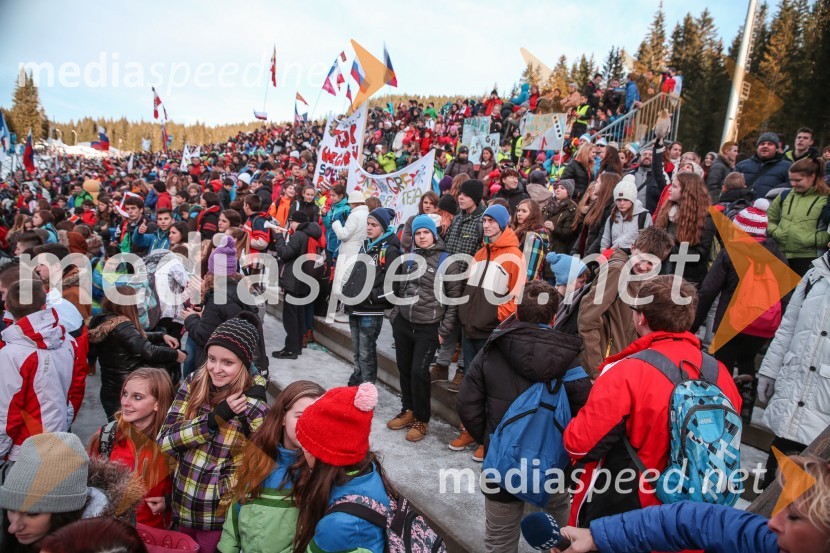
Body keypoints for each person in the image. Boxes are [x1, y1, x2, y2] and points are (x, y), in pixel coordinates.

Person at [564, 276, 742, 526]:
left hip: (631, 512)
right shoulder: (720, 372)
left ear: (641, 317)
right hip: (698, 514)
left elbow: (579, 444)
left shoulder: (626, 370)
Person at [457, 281, 591, 552]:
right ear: (554, 317)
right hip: (551, 465)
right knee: (558, 539)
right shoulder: (570, 359)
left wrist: (492, 437)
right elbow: (586, 412)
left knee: (500, 542)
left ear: (517, 313)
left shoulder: (491, 351)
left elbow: (467, 403)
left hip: (500, 464)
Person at [158, 314, 270, 553]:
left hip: (217, 517)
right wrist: (213, 419)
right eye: (211, 359)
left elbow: (259, 465)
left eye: (227, 362)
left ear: (244, 363)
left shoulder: (254, 406)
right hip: (181, 504)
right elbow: (165, 441)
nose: (216, 369)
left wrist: (223, 492)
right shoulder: (193, 384)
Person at [557, 455, 830, 553]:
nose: (773, 522)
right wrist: (597, 536)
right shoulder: (767, 539)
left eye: (794, 517)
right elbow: (692, 520)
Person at [694, 199, 785, 424]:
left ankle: (717, 413)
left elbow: (707, 291)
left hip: (732, 322)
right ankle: (744, 412)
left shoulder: (731, 252)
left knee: (722, 366)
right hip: (762, 325)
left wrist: (693, 325)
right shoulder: (777, 254)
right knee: (747, 363)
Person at [219, 380, 326, 553]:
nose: (308, 424)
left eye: (316, 417)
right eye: (300, 416)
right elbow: (235, 510)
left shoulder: (320, 471)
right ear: (283, 418)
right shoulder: (258, 458)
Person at [757, 246, 830, 487]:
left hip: (823, 405)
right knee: (772, 482)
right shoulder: (815, 274)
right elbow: (788, 326)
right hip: (794, 394)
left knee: (809, 497)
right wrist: (769, 369)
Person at [291, 383, 393, 553]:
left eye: (308, 445)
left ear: (326, 455)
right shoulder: (367, 470)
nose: (303, 449)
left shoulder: (338, 525)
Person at [387, 215, 463, 442]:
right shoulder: (409, 258)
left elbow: (454, 300)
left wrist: (443, 331)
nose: (421, 237)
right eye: (418, 233)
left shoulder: (446, 261)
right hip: (404, 323)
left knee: (420, 373)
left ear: (434, 234)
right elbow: (400, 288)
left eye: (426, 233)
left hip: (429, 327)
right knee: (404, 368)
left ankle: (422, 419)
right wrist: (394, 316)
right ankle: (408, 409)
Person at [0, 432, 143, 552]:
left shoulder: (112, 546)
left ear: (65, 513)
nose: (13, 527)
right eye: (11, 510)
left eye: (32, 513)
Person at [577, 228, 675, 376]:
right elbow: (587, 318)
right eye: (641, 258)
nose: (643, 266)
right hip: (603, 364)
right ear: (633, 248)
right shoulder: (617, 270)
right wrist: (597, 370)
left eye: (651, 263)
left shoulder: (643, 277)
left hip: (619, 363)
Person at [87, 367, 175, 528]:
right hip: (111, 530)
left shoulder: (173, 442)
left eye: (137, 397)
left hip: (154, 531)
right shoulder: (107, 436)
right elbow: (88, 485)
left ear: (158, 403)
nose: (125, 402)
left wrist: (169, 502)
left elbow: (186, 486)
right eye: (125, 393)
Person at [0, 279, 74, 462]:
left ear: (7, 306)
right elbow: (71, 393)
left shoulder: (11, 354)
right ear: (43, 305)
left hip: (24, 449)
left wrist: (1, 453)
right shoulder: (68, 341)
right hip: (58, 437)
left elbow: (7, 411)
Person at [88, 285, 183, 418]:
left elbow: (132, 338)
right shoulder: (123, 326)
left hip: (110, 389)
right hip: (127, 390)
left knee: (119, 432)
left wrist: (161, 336)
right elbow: (149, 351)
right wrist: (176, 354)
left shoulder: (101, 320)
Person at [181, 236, 267, 377]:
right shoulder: (240, 289)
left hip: (221, 367)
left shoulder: (218, 297)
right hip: (238, 360)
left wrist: (190, 318)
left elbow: (203, 336)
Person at [342, 207, 402, 386]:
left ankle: (367, 387)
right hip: (356, 306)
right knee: (357, 351)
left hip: (371, 309)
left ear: (383, 227)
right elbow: (357, 273)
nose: (369, 228)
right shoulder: (365, 245)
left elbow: (393, 286)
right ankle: (357, 379)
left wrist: (369, 296)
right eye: (368, 224)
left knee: (367, 351)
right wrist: (348, 291)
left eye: (374, 225)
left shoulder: (390, 250)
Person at [272, 211, 323, 360]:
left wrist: (278, 236)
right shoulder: (313, 234)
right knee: (299, 314)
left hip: (295, 280)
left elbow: (285, 253)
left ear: (295, 222)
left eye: (291, 222)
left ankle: (291, 348)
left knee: (291, 316)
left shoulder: (300, 235)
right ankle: (298, 346)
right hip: (306, 280)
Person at [766, 157, 830, 276]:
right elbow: (769, 218)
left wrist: (814, 239)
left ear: (812, 176)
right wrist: (775, 231)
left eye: (798, 180)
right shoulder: (785, 195)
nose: (793, 184)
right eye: (791, 180)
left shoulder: (826, 198)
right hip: (780, 254)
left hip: (808, 257)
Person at [653, 172, 716, 287]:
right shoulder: (667, 211)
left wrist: (666, 247)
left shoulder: (705, 219)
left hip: (686, 278)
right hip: (662, 272)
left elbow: (700, 254)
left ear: (687, 191)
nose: (670, 189)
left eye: (675, 186)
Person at [330, 191, 368, 316]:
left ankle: (342, 310)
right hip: (358, 250)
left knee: (343, 280)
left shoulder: (355, 215)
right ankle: (345, 309)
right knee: (351, 279)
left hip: (348, 251)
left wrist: (336, 224)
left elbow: (343, 235)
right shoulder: (367, 214)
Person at [599, 176, 652, 251]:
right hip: (614, 256)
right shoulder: (611, 218)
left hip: (636, 256)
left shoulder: (644, 216)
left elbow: (648, 242)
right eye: (619, 200)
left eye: (626, 200)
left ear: (632, 200)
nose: (622, 203)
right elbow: (605, 242)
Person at [735, 132, 792, 199]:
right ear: (757, 147)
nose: (765, 146)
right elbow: (729, 190)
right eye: (762, 144)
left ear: (776, 148)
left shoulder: (787, 167)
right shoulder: (741, 166)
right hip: (741, 207)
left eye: (770, 144)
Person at [510, 198, 548, 280]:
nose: (519, 214)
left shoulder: (534, 236)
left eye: (524, 211)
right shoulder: (516, 230)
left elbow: (530, 270)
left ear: (533, 214)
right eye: (518, 210)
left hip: (524, 283)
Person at [542, 180, 578, 256]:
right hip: (543, 246)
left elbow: (569, 234)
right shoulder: (547, 206)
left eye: (562, 188)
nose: (558, 190)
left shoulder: (571, 209)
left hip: (559, 250)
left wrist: (553, 228)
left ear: (568, 192)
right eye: (557, 187)